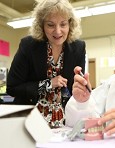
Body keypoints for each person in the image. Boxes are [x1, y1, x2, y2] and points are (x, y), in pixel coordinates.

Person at [6, 0, 86, 128]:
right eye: (50, 25)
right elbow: (12, 87)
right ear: (41, 25)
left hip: (64, 121)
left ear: (70, 24)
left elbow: (74, 89)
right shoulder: (28, 46)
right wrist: (48, 84)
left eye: (63, 24)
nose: (58, 31)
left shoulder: (78, 47)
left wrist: (82, 90)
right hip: (30, 121)